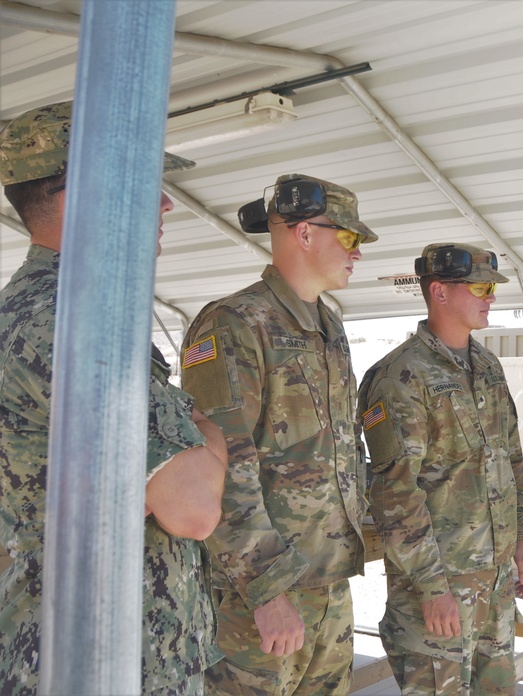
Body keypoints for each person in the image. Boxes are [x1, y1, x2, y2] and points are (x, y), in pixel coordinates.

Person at [0, 101, 228, 694]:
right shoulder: (74, 321)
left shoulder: (39, 310)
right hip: (105, 662)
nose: (165, 203)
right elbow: (193, 504)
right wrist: (209, 436)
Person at [179, 174, 377, 695]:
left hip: (326, 582)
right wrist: (267, 591)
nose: (358, 253)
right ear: (304, 233)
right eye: (350, 238)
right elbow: (223, 465)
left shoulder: (330, 327)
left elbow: (341, 450)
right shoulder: (233, 323)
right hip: (260, 594)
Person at [358, 242, 523, 695]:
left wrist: (520, 540)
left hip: (494, 588)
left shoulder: (487, 366)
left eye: (492, 288)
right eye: (480, 287)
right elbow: (396, 493)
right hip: (438, 593)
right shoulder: (400, 375)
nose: (491, 297)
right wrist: (431, 588)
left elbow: (509, 460)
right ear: (439, 292)